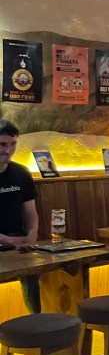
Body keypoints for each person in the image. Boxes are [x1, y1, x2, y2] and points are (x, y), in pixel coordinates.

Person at [0, 120, 40, 312]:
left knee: (35, 267)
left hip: (18, 237)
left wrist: (32, 234)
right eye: (2, 144)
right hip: (5, 239)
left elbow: (30, 211)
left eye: (13, 144)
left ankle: (37, 322)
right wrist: (8, 240)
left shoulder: (21, 173)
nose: (8, 150)